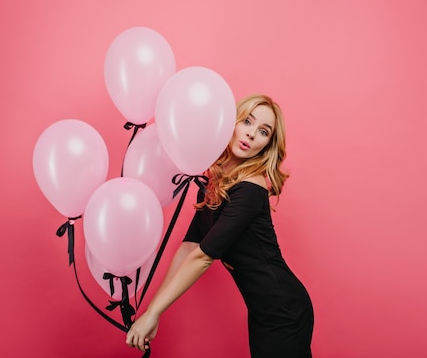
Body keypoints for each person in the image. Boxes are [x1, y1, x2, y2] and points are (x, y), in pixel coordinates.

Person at [126, 94, 314, 357]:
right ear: (231, 122)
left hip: (283, 309)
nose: (250, 135)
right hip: (263, 310)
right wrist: (152, 310)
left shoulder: (250, 189)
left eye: (262, 132)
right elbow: (189, 247)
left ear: (267, 145)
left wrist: (154, 313)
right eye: (246, 122)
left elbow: (203, 257)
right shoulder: (214, 183)